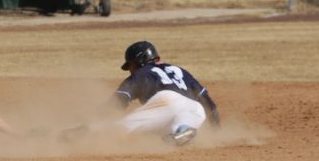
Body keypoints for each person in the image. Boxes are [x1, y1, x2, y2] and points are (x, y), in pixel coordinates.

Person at [61, 40, 220, 146]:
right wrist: (217, 133)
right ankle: (183, 130)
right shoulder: (179, 70)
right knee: (176, 127)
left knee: (121, 127)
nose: (130, 70)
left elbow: (117, 103)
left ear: (139, 60)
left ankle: (76, 133)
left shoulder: (141, 74)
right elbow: (208, 104)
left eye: (130, 65)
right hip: (194, 107)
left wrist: (91, 117)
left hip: (165, 101)